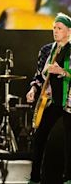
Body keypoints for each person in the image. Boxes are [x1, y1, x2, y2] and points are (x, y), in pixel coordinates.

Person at [26, 12, 71, 184]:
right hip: (51, 100)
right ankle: (34, 177)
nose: (56, 31)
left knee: (69, 140)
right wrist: (33, 89)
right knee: (39, 136)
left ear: (69, 31)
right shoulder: (46, 50)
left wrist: (62, 72)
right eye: (54, 28)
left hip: (69, 100)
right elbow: (39, 75)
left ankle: (68, 177)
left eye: (59, 28)